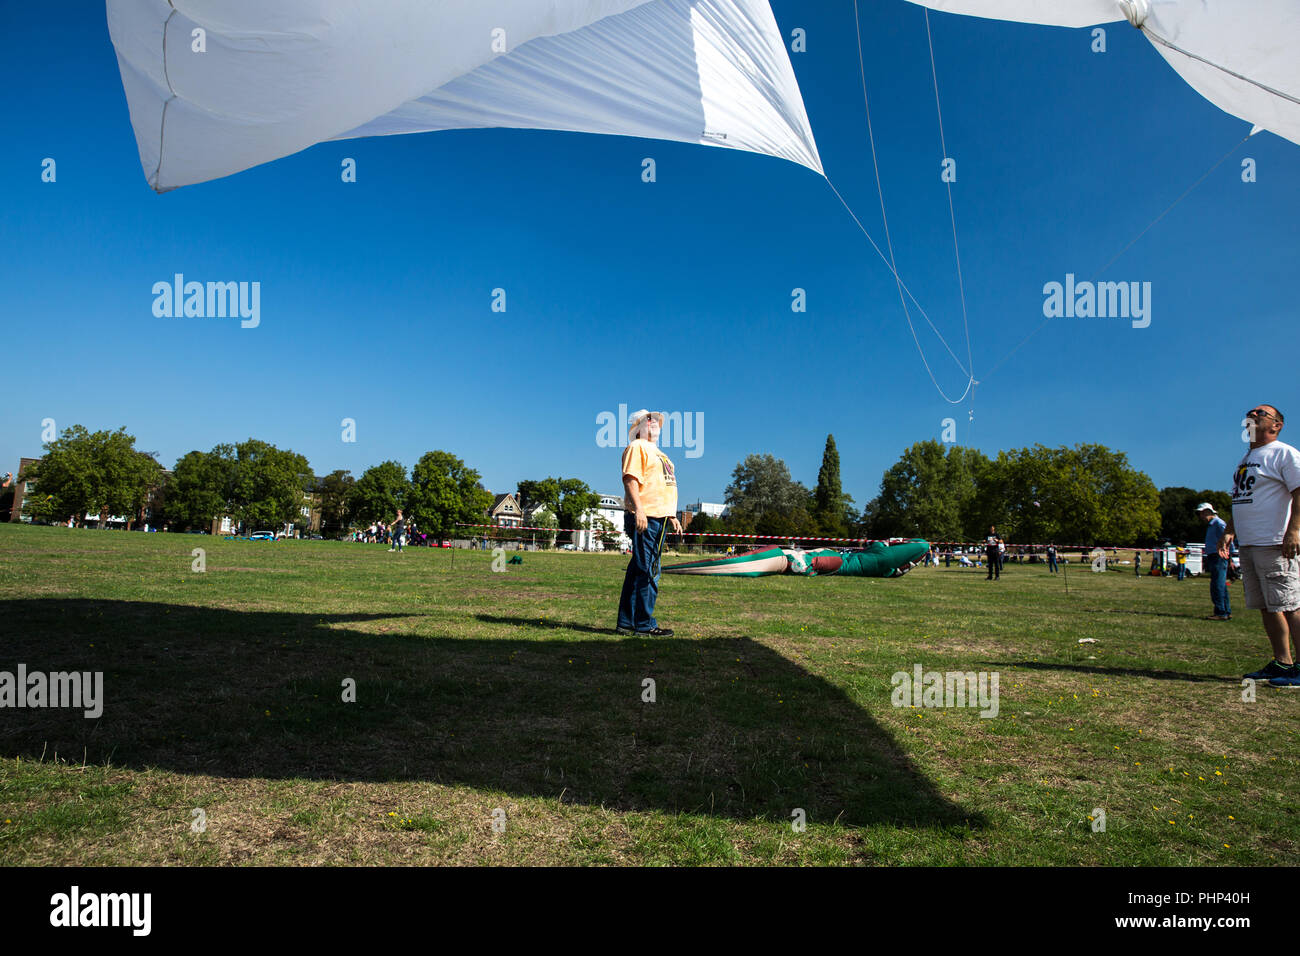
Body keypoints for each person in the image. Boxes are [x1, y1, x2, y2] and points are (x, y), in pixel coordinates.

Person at [1218, 404, 1300, 685]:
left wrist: (1295, 531)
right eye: (1250, 412)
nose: (1252, 414)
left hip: (1276, 542)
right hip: (1250, 544)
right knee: (1267, 607)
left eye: (1260, 413)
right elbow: (1242, 498)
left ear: (1276, 425)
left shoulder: (1284, 453)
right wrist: (1230, 530)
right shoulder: (1248, 457)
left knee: (1291, 605)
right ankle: (1283, 663)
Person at [616, 409, 682, 636]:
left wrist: (672, 515)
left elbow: (661, 485)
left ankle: (626, 622)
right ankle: (645, 624)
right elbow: (631, 479)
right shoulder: (637, 447)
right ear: (637, 427)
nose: (653, 422)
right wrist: (640, 511)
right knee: (649, 570)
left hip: (660, 517)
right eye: (647, 420)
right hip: (647, 516)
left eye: (656, 420)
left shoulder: (661, 454)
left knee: (638, 569)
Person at [1197, 503, 1231, 620]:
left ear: (1208, 512)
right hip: (1214, 556)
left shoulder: (1219, 524)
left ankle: (1220, 612)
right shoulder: (1212, 525)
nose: (1200, 516)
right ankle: (1226, 610)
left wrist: (1229, 553)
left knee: (1217, 585)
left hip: (1218, 556)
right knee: (1220, 584)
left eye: (1202, 513)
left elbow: (1228, 538)